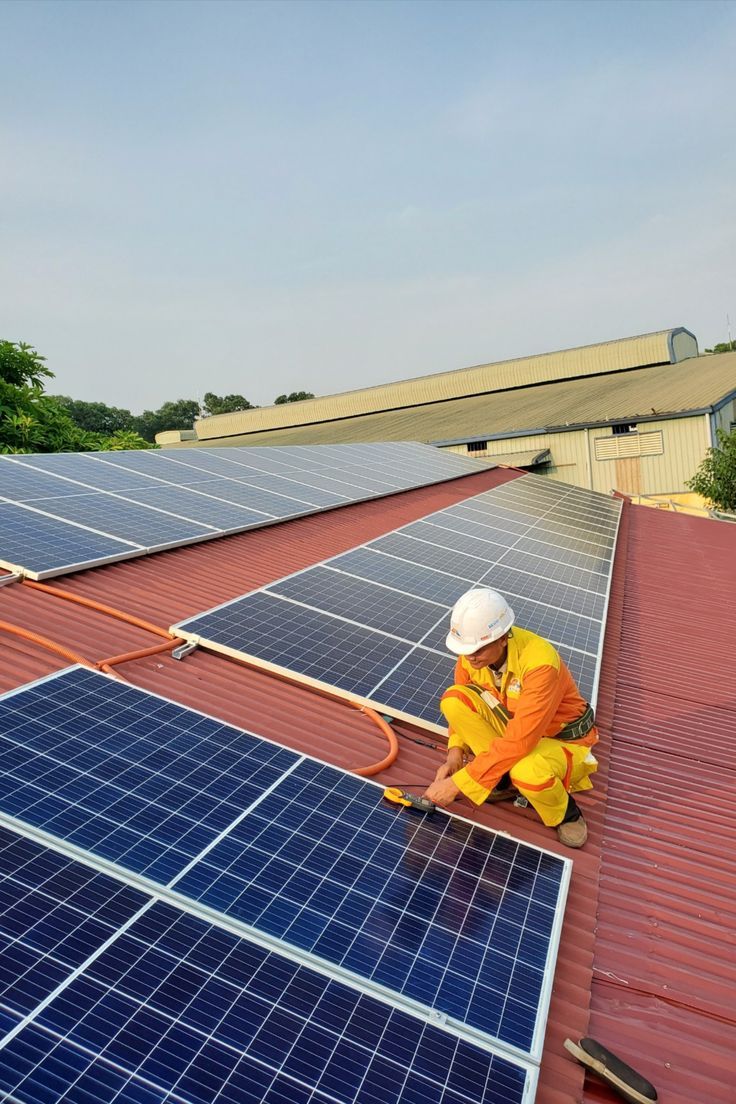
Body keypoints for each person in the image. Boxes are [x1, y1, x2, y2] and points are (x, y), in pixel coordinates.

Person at [423, 587, 598, 848]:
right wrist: (455, 753)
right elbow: (465, 708)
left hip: (562, 741)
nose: (470, 657)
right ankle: (501, 781)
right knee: (454, 699)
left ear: (503, 638)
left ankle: (565, 813)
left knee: (526, 770)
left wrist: (459, 784)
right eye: (465, 649)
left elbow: (521, 740)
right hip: (518, 732)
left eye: (478, 649)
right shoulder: (471, 658)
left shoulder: (540, 664)